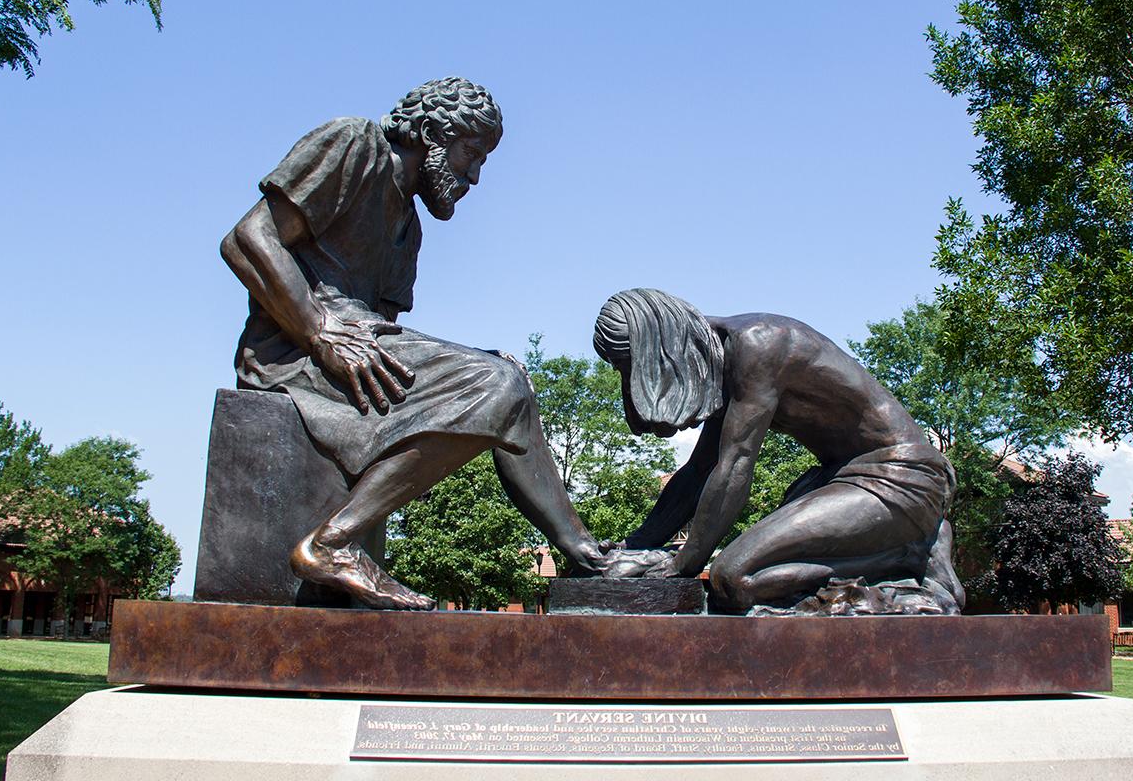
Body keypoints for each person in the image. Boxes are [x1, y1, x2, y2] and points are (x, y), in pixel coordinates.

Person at [220, 78, 604, 610]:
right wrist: (318, 329)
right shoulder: (353, 145)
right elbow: (247, 239)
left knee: (506, 384)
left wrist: (478, 368)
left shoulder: (408, 228)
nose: (473, 176)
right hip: (293, 353)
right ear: (428, 132)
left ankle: (585, 555)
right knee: (499, 386)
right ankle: (331, 545)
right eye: (471, 153)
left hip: (356, 353)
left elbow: (388, 333)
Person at [592, 288, 964, 614]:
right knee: (737, 578)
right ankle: (896, 551)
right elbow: (699, 470)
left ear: (662, 349)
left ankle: (907, 554)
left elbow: (735, 464)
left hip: (901, 478)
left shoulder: (758, 344)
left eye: (632, 367)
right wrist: (638, 545)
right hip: (838, 479)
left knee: (734, 578)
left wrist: (684, 563)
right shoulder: (722, 364)